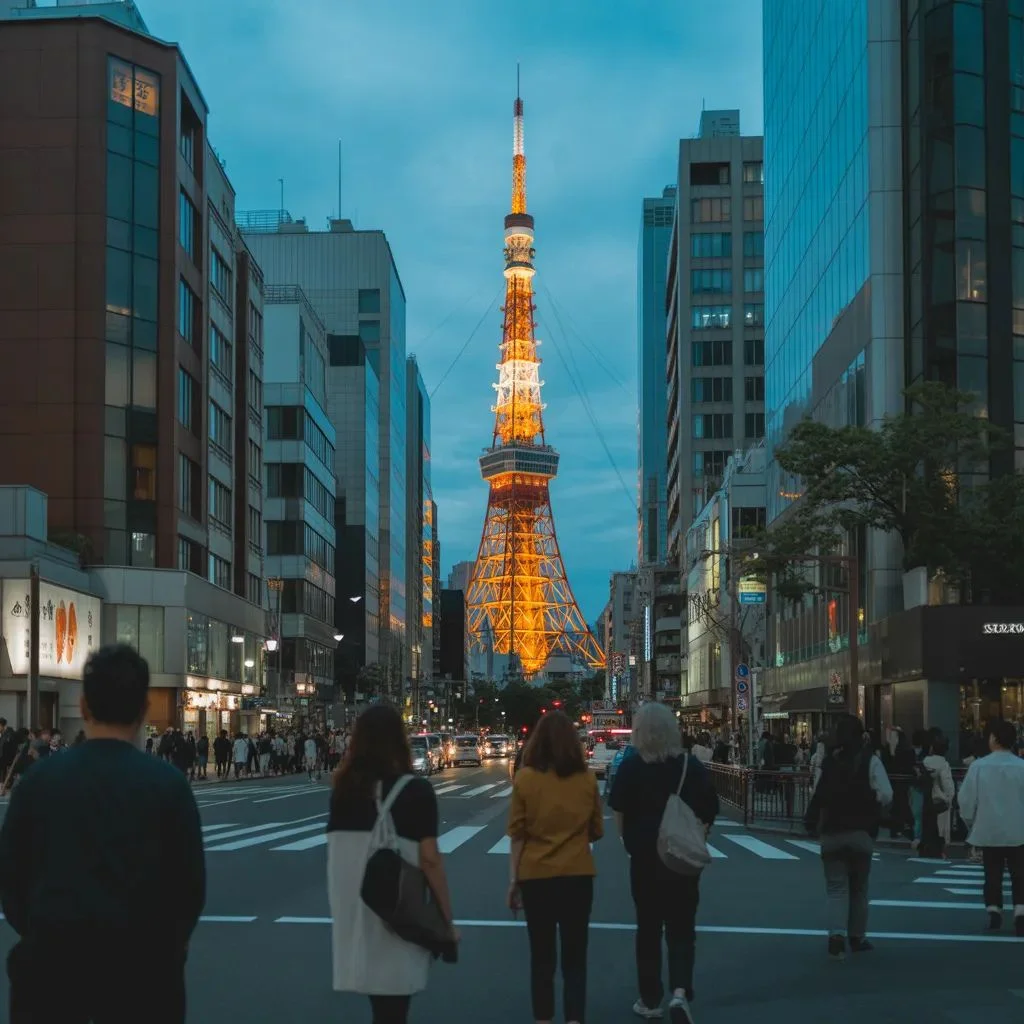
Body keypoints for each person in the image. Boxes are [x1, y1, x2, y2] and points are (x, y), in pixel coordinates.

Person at [0, 644, 205, 1023]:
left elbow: (12, 879)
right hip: (143, 968)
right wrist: (169, 945)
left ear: (84, 706)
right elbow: (188, 886)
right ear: (143, 708)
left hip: (51, 962)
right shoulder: (168, 785)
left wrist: (39, 928)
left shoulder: (38, 782)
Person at [327, 704, 457, 1023]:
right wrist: (445, 919)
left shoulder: (343, 791)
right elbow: (430, 859)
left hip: (357, 911)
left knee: (382, 1008)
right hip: (399, 909)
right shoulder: (416, 790)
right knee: (395, 1006)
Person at [608, 701, 717, 1023]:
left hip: (644, 857)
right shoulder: (690, 766)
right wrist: (696, 835)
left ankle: (650, 998)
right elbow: (709, 809)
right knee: (682, 926)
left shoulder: (631, 766)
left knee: (648, 928)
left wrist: (629, 843)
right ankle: (680, 992)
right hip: (681, 856)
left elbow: (619, 812)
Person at [507, 710, 604, 1024]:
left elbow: (517, 835)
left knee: (542, 956)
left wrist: (514, 881)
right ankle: (574, 1018)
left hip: (536, 876)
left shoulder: (525, 779)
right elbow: (596, 830)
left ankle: (543, 1019)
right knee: (575, 956)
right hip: (578, 875)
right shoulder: (586, 779)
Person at [804, 713, 893, 960]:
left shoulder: (828, 763)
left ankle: (836, 936)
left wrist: (811, 822)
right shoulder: (870, 760)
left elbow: (817, 794)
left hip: (832, 833)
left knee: (836, 888)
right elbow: (887, 793)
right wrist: (872, 801)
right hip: (861, 833)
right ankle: (857, 937)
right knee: (859, 888)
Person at [956, 718, 1024, 935]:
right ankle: (1020, 912)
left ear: (993, 739)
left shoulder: (978, 766)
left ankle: (994, 910)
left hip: (988, 828)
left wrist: (970, 822)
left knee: (992, 873)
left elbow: (966, 800)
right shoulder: (1021, 767)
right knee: (1019, 874)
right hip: (1018, 829)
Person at [920, 734, 955, 859]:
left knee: (927, 827)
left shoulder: (924, 762)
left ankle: (925, 849)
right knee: (940, 829)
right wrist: (949, 799)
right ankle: (938, 851)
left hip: (925, 800)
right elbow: (948, 787)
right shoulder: (944, 765)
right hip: (939, 802)